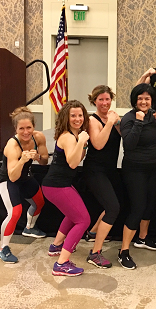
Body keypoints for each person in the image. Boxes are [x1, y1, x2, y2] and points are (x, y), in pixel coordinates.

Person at [117, 84, 156, 269]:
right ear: (135, 100)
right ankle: (123, 251)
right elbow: (129, 144)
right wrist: (139, 122)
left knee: (150, 204)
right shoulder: (129, 119)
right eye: (140, 98)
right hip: (134, 169)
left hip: (152, 168)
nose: (144, 101)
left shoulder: (154, 116)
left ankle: (143, 238)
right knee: (138, 208)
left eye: (147, 98)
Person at [41, 100, 91, 277]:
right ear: (66, 117)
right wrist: (82, 141)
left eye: (80, 115)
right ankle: (61, 263)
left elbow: (79, 155)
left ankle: (56, 246)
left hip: (57, 184)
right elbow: (73, 163)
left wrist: (82, 143)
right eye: (73, 116)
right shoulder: (69, 137)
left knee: (73, 215)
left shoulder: (73, 135)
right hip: (57, 186)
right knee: (83, 220)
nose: (78, 119)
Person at [0, 107, 49, 263]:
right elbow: (12, 176)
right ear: (15, 129)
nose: (26, 132)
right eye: (21, 129)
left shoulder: (38, 137)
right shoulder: (12, 146)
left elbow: (45, 161)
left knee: (39, 202)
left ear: (33, 127)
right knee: (15, 212)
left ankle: (30, 228)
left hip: (25, 177)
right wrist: (23, 160)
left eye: (29, 128)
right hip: (8, 179)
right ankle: (3, 249)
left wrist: (37, 156)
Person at [83, 85, 122, 269]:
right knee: (113, 208)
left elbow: (124, 136)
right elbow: (98, 144)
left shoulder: (113, 118)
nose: (105, 103)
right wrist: (109, 123)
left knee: (113, 204)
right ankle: (95, 253)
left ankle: (92, 233)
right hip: (94, 170)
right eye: (101, 100)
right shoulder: (93, 120)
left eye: (107, 99)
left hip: (110, 170)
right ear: (94, 101)